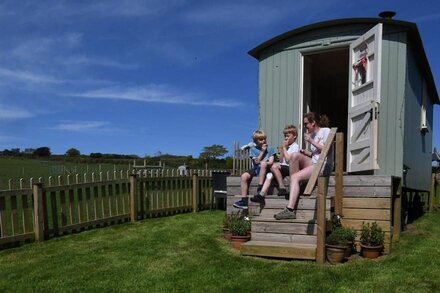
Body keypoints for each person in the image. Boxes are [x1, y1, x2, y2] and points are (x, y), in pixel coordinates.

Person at [274, 112, 334, 220]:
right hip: (314, 162)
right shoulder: (312, 135)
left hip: (323, 165)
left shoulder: (326, 131)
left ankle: (290, 210)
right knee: (295, 155)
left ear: (313, 123)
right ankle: (294, 186)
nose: (305, 126)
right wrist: (307, 153)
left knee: (295, 177)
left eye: (306, 124)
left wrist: (311, 141)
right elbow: (315, 154)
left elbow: (327, 150)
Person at [251, 125, 299, 204]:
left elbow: (288, 160)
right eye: (285, 136)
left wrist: (283, 148)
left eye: (288, 136)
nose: (286, 138)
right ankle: (261, 194)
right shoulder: (287, 147)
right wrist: (282, 151)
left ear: (294, 136)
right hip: (282, 167)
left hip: (290, 168)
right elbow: (281, 160)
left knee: (273, 166)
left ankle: (282, 187)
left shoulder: (295, 146)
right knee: (269, 175)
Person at [233, 130, 276, 209]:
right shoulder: (253, 150)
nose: (263, 141)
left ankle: (260, 189)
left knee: (264, 167)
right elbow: (256, 162)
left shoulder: (270, 148)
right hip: (256, 168)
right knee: (244, 176)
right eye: (260, 139)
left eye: (264, 139)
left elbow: (271, 162)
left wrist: (264, 163)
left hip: (267, 169)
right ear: (255, 141)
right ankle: (244, 201)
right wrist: (262, 152)